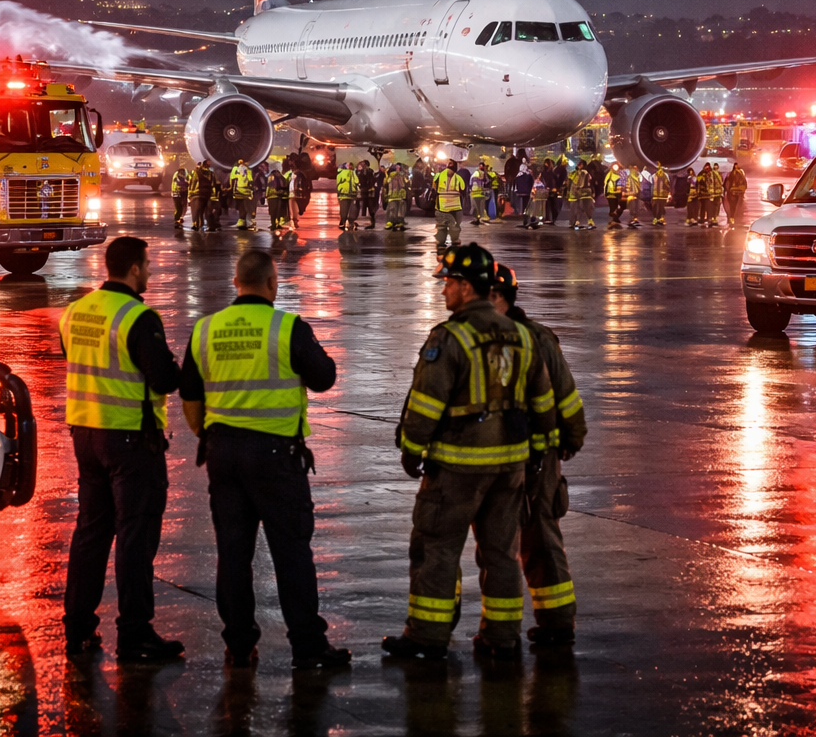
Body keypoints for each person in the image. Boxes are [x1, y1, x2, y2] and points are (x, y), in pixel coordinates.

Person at [179, 250, 352, 671]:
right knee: (291, 553)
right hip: (276, 459)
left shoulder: (206, 329)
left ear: (237, 283)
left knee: (233, 554)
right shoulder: (286, 328)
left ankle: (239, 645)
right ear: (272, 284)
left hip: (222, 455)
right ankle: (308, 647)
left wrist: (209, 435)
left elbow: (189, 396)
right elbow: (325, 378)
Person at [382, 243, 555, 661]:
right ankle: (502, 636)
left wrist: (410, 449)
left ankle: (427, 636)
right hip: (511, 465)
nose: (443, 292)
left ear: (464, 287)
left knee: (436, 548)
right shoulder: (520, 335)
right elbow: (543, 404)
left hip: (458, 466)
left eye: (448, 284)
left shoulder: (450, 338)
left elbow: (425, 403)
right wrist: (535, 458)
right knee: (501, 553)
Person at [59, 236, 185, 662]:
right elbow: (164, 378)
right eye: (147, 265)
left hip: (85, 436)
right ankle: (134, 633)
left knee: (91, 534)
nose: (149, 272)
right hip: (130, 440)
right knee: (135, 537)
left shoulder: (76, 311)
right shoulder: (137, 316)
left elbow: (71, 356)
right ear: (133, 269)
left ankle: (77, 627)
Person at [488, 262, 587, 646]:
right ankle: (529, 626)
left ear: (497, 297)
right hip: (509, 456)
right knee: (509, 543)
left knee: (539, 537)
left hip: (534, 457)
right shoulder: (526, 336)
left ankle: (556, 623)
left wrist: (569, 439)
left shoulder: (533, 338)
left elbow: (564, 393)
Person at [433, 158, 467, 250]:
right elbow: (463, 190)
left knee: (441, 226)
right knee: (455, 226)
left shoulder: (438, 176)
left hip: (441, 207)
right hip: (456, 207)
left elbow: (433, 189)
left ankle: (440, 242)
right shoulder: (459, 178)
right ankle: (455, 240)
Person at [569, 158, 596, 229]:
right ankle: (582, 223)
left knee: (584, 208)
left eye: (580, 164)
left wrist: (579, 187)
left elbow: (583, 182)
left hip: (584, 192)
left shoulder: (583, 172)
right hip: (585, 193)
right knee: (584, 208)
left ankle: (580, 223)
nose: (578, 165)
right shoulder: (583, 172)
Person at [190, 160, 217, 232]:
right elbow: (214, 185)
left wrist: (190, 194)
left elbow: (193, 183)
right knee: (208, 211)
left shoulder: (196, 172)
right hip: (208, 194)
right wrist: (214, 196)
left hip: (198, 194)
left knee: (197, 211)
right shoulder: (211, 174)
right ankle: (211, 226)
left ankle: (197, 225)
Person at [230, 159, 255, 230]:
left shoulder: (235, 168)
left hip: (238, 189)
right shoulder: (248, 169)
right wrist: (251, 189)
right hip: (246, 190)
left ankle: (242, 220)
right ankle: (247, 220)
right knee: (246, 206)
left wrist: (231, 188)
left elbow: (232, 178)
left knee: (241, 206)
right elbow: (250, 180)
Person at [385, 162, 411, 230]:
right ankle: (399, 223)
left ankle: (391, 222)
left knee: (392, 209)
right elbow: (406, 184)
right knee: (400, 210)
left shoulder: (390, 175)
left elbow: (386, 183)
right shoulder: (403, 175)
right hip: (401, 195)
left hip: (392, 195)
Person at [265, 158, 289, 231]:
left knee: (273, 211)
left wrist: (266, 196)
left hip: (272, 196)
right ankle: (277, 223)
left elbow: (269, 186)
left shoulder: (271, 176)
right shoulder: (281, 176)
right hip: (280, 196)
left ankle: (273, 224)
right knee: (278, 211)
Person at [336, 162, 360, 231]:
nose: (350, 167)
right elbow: (356, 182)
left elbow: (356, 182)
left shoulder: (352, 173)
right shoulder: (343, 173)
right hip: (346, 194)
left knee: (347, 209)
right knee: (345, 210)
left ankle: (346, 222)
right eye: (349, 165)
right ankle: (344, 222)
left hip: (349, 194)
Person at [698, 162, 724, 227]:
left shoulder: (715, 174)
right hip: (704, 194)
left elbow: (719, 183)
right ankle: (703, 218)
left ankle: (712, 218)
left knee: (713, 207)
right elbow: (698, 182)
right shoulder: (702, 174)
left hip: (712, 194)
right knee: (704, 207)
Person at [724, 162, 749, 228]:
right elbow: (727, 184)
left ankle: (734, 218)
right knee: (733, 206)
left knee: (736, 207)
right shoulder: (731, 174)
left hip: (736, 194)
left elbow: (744, 184)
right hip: (733, 194)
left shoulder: (738, 174)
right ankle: (733, 218)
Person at [359, 159, 380, 229]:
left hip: (367, 191)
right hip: (368, 191)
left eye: (363, 163)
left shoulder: (365, 172)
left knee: (369, 206)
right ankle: (372, 221)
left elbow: (363, 181)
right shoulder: (370, 171)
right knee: (369, 206)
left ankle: (372, 221)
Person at [604, 163, 626, 228]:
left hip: (619, 194)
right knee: (613, 208)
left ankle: (615, 218)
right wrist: (606, 193)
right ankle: (613, 221)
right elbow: (606, 184)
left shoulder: (621, 174)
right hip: (611, 194)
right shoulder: (609, 174)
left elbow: (623, 184)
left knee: (623, 206)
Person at [470, 161, 492, 225]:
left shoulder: (474, 173)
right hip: (481, 193)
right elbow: (487, 182)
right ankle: (481, 218)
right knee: (481, 207)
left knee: (475, 207)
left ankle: (477, 218)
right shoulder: (484, 174)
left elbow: (470, 183)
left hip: (474, 193)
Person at [624, 163, 644, 228]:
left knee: (632, 208)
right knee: (636, 207)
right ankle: (634, 219)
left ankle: (633, 219)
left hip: (632, 194)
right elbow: (640, 184)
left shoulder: (629, 176)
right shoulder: (638, 175)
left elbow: (627, 185)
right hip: (636, 194)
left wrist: (626, 193)